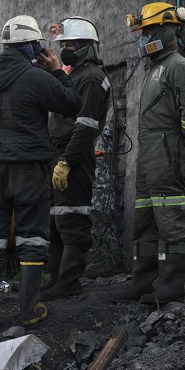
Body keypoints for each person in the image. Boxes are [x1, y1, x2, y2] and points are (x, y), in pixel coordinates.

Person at [0, 16, 82, 327]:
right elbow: (73, 103)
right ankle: (29, 311)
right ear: (31, 46)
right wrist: (58, 71)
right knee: (32, 237)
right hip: (29, 168)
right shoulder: (36, 77)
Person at [110, 3, 185, 305]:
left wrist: (180, 141)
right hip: (150, 155)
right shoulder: (155, 67)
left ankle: (171, 287)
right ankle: (143, 283)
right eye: (143, 32)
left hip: (166, 154)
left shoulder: (178, 66)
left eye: (149, 31)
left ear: (168, 29)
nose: (144, 38)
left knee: (170, 218)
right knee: (145, 220)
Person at [41, 17, 111, 301]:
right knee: (57, 220)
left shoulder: (91, 77)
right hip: (60, 152)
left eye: (71, 44)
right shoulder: (76, 75)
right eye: (64, 44)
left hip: (75, 155)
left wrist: (67, 160)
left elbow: (86, 126)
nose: (65, 49)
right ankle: (56, 279)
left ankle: (69, 282)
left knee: (73, 219)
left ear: (87, 46)